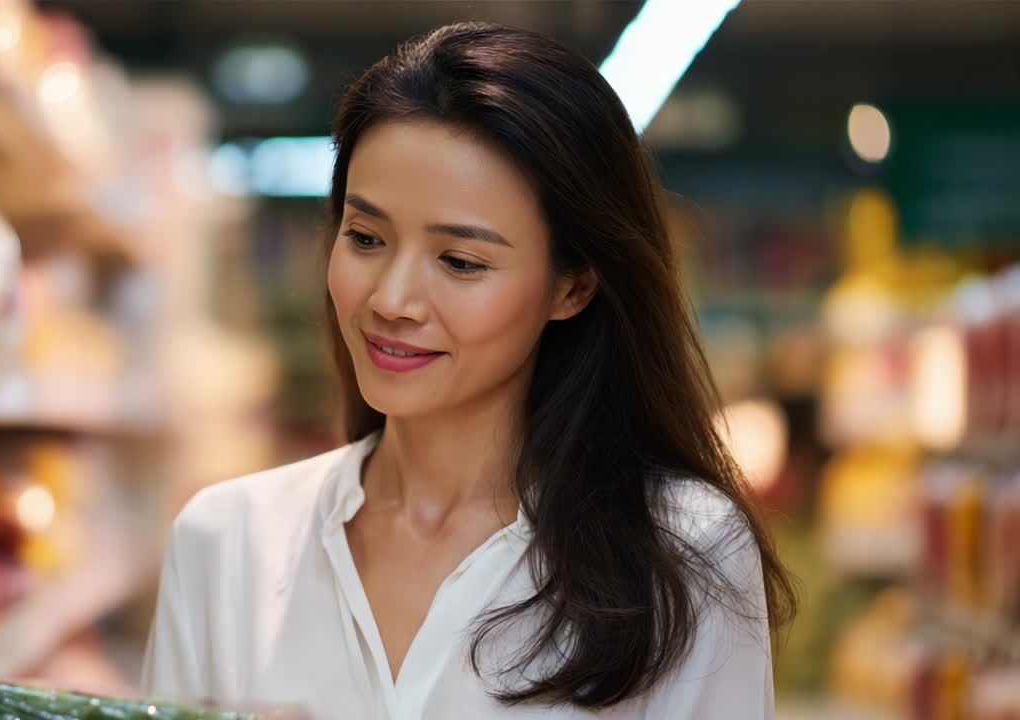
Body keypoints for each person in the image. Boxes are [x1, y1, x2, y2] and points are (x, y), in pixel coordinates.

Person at [144, 22, 795, 719]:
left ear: (573, 285)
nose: (390, 300)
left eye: (461, 262)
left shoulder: (680, 552)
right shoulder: (227, 542)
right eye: (365, 238)